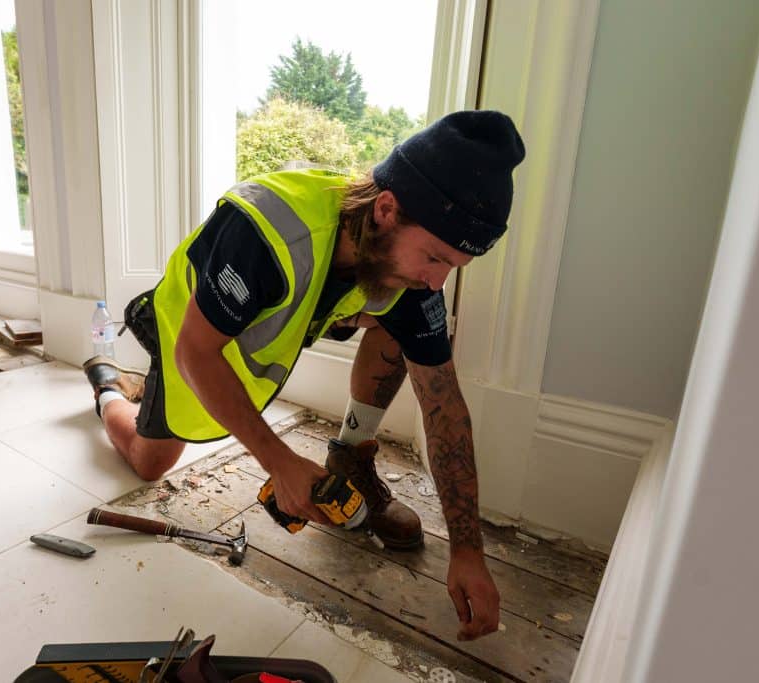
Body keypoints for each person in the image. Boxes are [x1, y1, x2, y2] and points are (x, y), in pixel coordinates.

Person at [83, 110, 525, 641]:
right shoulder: (267, 229)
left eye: (452, 266)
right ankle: (108, 384)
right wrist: (280, 460)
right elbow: (198, 353)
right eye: (434, 256)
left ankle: (352, 451)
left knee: (401, 323)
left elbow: (444, 402)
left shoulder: (409, 272)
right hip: (187, 328)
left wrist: (468, 550)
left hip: (264, 325)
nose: (437, 280)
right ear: (386, 209)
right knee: (149, 464)